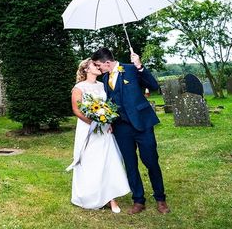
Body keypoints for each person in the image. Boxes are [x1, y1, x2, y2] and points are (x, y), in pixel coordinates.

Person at [91, 47, 171, 215]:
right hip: (121, 128)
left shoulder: (131, 68)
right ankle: (138, 200)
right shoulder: (105, 79)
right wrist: (109, 120)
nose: (98, 68)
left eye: (99, 65)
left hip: (142, 123)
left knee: (151, 161)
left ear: (107, 62)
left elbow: (154, 86)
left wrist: (140, 66)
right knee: (130, 164)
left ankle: (160, 199)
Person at [68, 58, 130, 212]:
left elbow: (108, 105)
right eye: (94, 65)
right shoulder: (79, 87)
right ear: (86, 69)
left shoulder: (102, 85)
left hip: (105, 129)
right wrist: (94, 123)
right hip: (88, 129)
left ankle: (111, 198)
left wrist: (107, 121)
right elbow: (76, 110)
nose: (98, 66)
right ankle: (91, 195)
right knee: (91, 162)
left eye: (98, 64)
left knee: (108, 161)